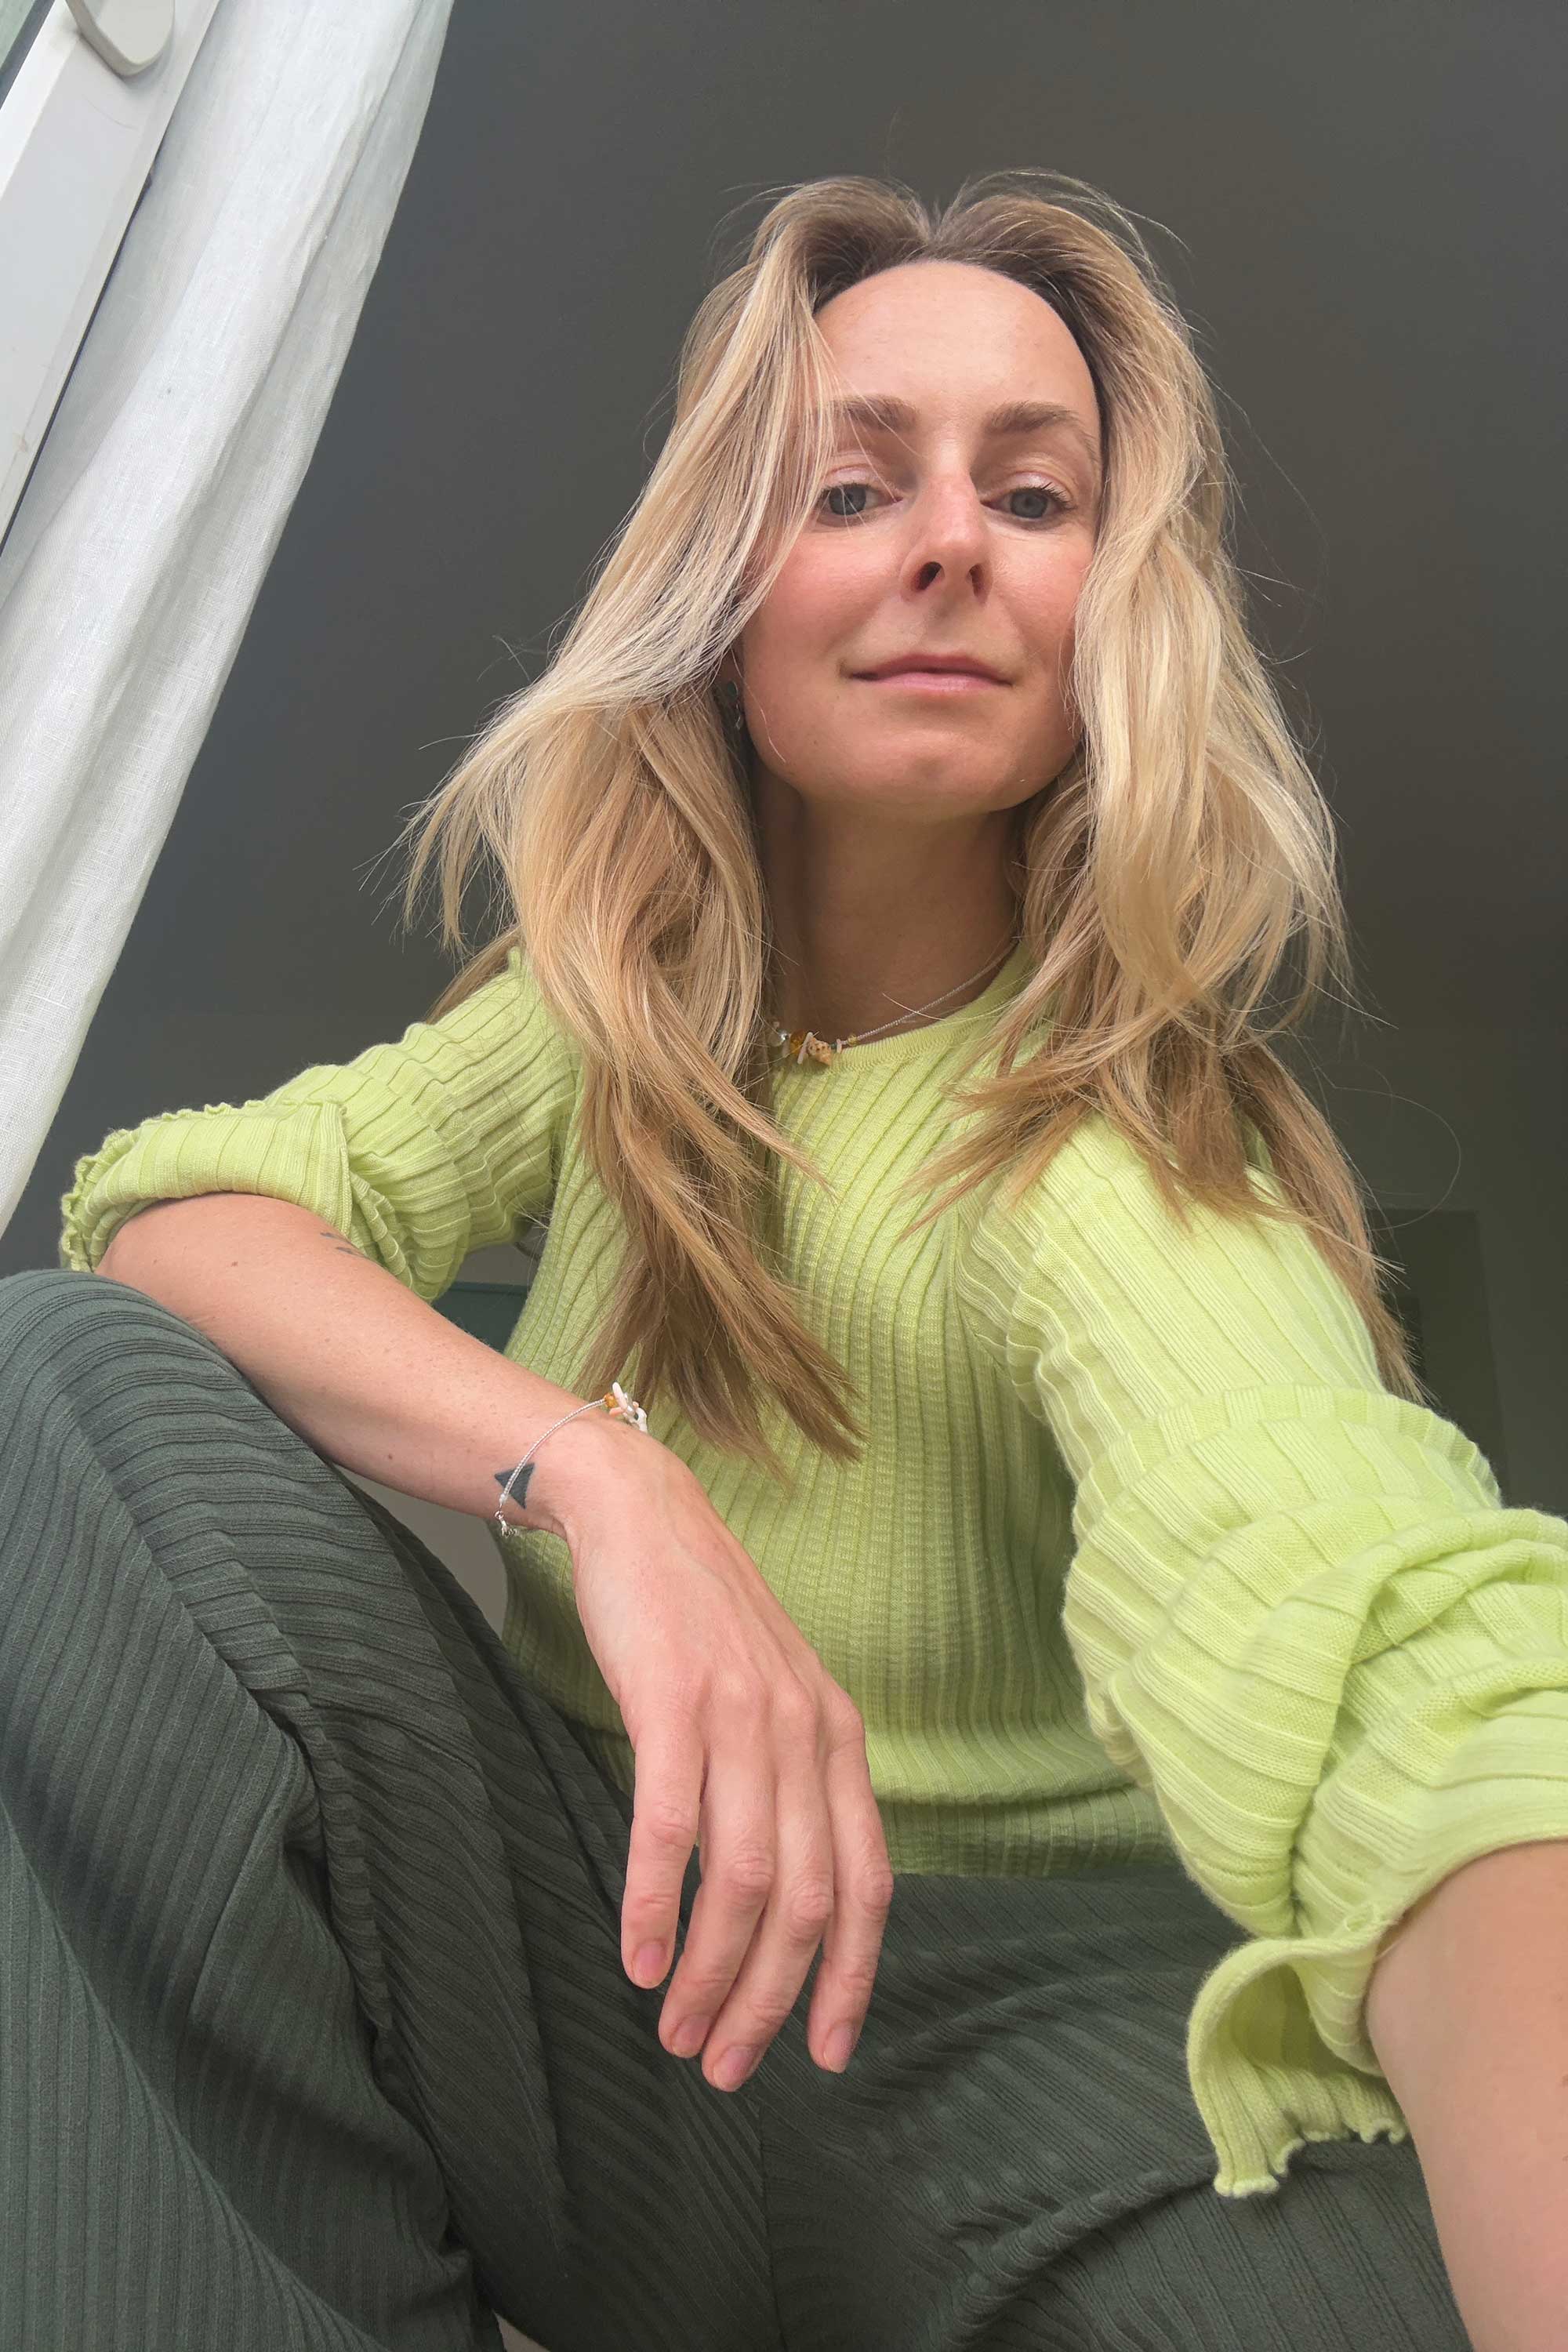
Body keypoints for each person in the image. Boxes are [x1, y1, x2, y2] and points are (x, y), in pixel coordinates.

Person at [6, 167, 1566, 2352]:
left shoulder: (1121, 1160)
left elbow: (1376, 1624)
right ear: (728, 593)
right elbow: (169, 1216)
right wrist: (595, 1470)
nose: (948, 544)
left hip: (1073, 2067)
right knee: (57, 1391)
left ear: (1112, 610)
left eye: (1034, 496)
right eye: (852, 485)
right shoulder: (604, 1033)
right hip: (610, 1991)